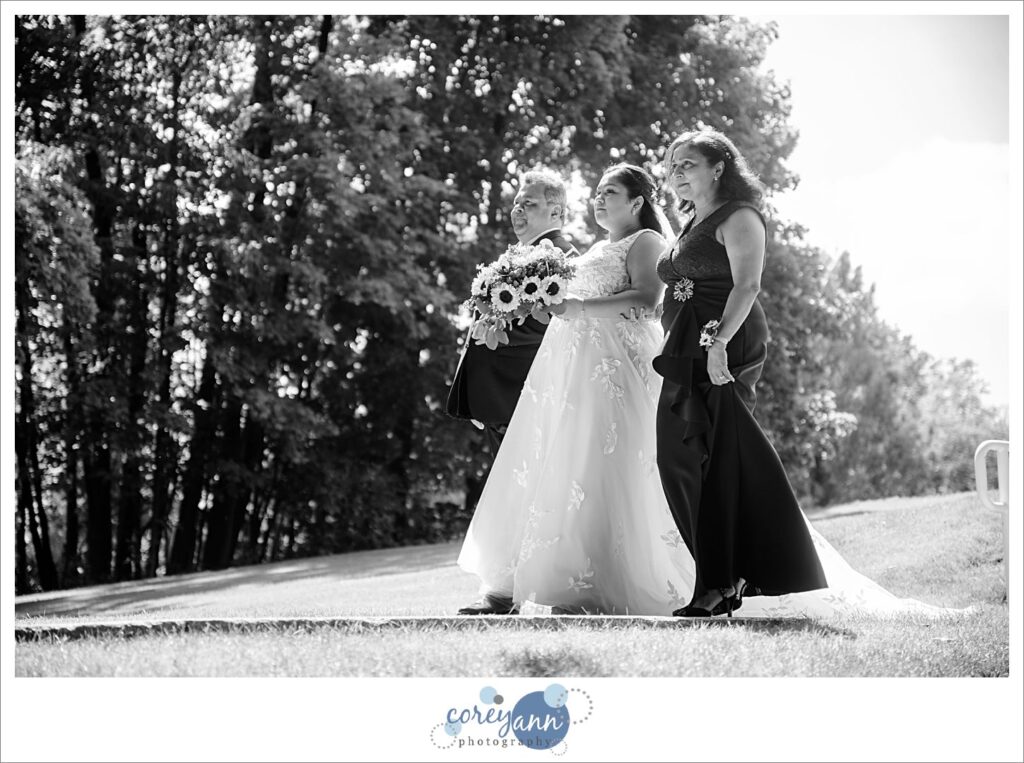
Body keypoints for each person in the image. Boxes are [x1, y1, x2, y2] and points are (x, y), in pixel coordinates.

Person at [456, 164, 697, 616]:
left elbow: (648, 299)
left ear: (637, 202)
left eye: (610, 192)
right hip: (571, 369)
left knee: (607, 467)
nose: (599, 200)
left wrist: (580, 307)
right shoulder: (593, 248)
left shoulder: (646, 242)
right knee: (564, 470)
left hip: (616, 366)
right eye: (597, 193)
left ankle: (598, 586)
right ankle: (548, 584)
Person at [446, 169, 579, 461]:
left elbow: (556, 326)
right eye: (517, 203)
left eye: (528, 204)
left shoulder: (562, 258)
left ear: (556, 211)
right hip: (499, 399)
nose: (518, 210)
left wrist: (494, 331)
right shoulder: (517, 254)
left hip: (525, 397)